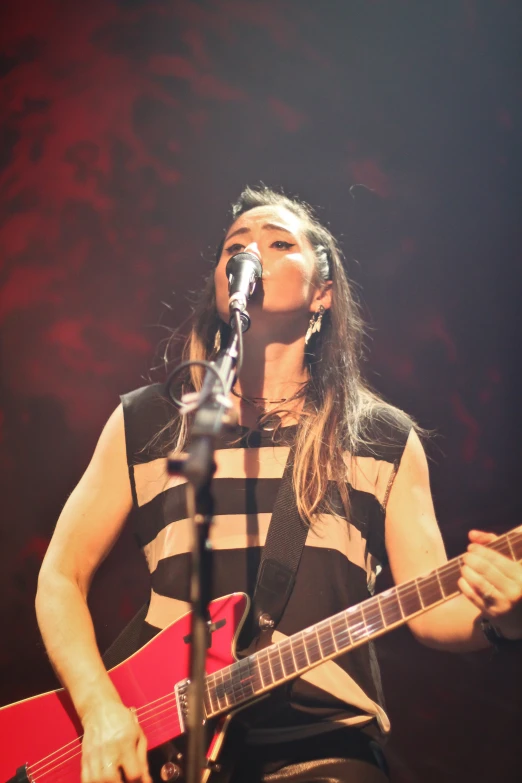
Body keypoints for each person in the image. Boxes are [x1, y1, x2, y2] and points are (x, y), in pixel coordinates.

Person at [35, 186, 522, 783]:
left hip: (321, 746)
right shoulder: (147, 422)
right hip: (160, 749)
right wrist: (101, 709)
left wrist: (508, 617)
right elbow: (60, 577)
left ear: (323, 292)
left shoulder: (380, 437)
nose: (250, 251)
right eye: (234, 246)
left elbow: (429, 610)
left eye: (279, 242)